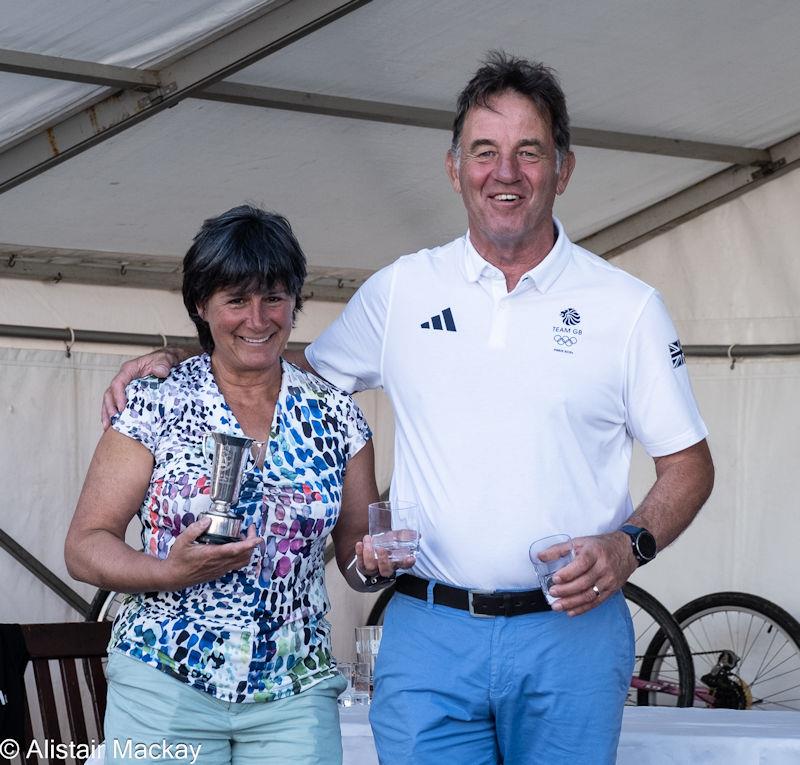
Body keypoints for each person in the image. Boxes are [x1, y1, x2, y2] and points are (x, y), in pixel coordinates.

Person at [100, 53, 714, 765]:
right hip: (430, 633)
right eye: (485, 152)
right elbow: (288, 364)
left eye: (528, 152)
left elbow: (689, 465)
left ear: (564, 168)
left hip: (569, 631)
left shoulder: (628, 307)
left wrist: (628, 544)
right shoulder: (403, 290)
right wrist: (181, 362)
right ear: (454, 168)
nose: (505, 173)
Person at [66, 205, 401, 765]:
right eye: (236, 300)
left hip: (294, 690)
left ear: (297, 300)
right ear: (201, 305)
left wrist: (373, 564)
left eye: (274, 297)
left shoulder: (338, 416)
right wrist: (166, 573)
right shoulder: (157, 401)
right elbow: (84, 544)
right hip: (166, 679)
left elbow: (353, 557)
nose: (258, 318)